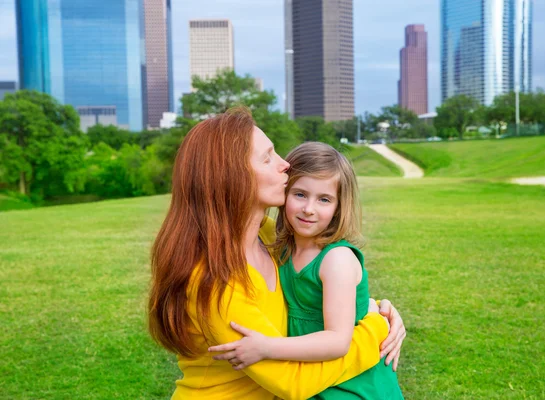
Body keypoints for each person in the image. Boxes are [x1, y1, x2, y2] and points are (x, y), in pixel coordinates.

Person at [148, 108, 406, 400]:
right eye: (268, 158)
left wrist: (376, 306)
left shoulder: (270, 236)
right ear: (233, 176)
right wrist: (375, 330)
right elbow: (294, 382)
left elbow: (319, 291)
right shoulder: (214, 280)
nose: (285, 165)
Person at [208, 142, 404, 399]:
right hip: (313, 376)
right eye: (300, 194)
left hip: (352, 384)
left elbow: (337, 340)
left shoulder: (336, 259)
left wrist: (267, 347)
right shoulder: (280, 247)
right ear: (285, 192)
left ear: (338, 207)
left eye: (324, 199)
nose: (309, 208)